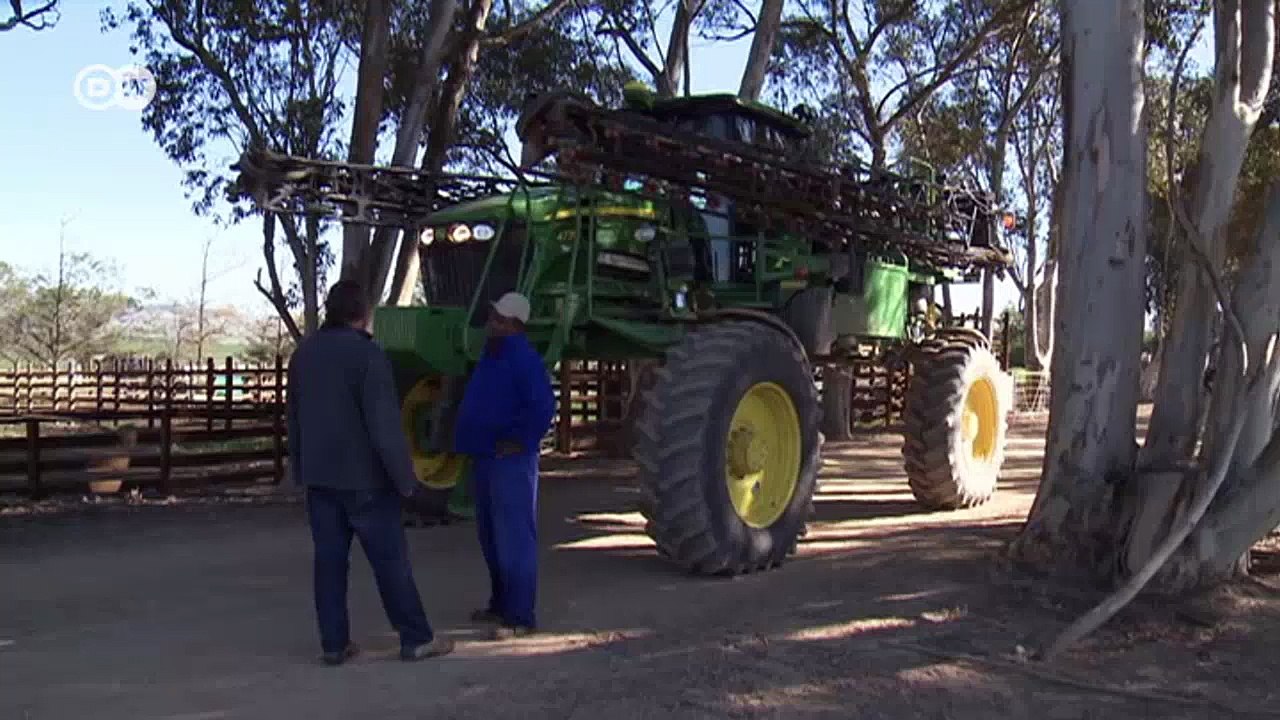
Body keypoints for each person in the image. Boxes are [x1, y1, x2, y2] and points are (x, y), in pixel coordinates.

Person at [287, 280, 454, 665]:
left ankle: (333, 644)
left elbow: (293, 418)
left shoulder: (304, 354)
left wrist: (300, 469)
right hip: (366, 480)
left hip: (319, 477)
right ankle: (415, 637)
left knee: (328, 563)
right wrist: (406, 480)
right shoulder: (368, 356)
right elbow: (383, 426)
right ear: (363, 314)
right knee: (390, 562)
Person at [453, 291, 557, 640]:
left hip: (510, 460)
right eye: (492, 317)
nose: (491, 323)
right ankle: (500, 604)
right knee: (491, 536)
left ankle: (521, 616)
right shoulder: (493, 355)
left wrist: (519, 439)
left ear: (514, 323)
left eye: (497, 318)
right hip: (485, 457)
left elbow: (543, 407)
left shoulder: (523, 360)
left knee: (514, 537)